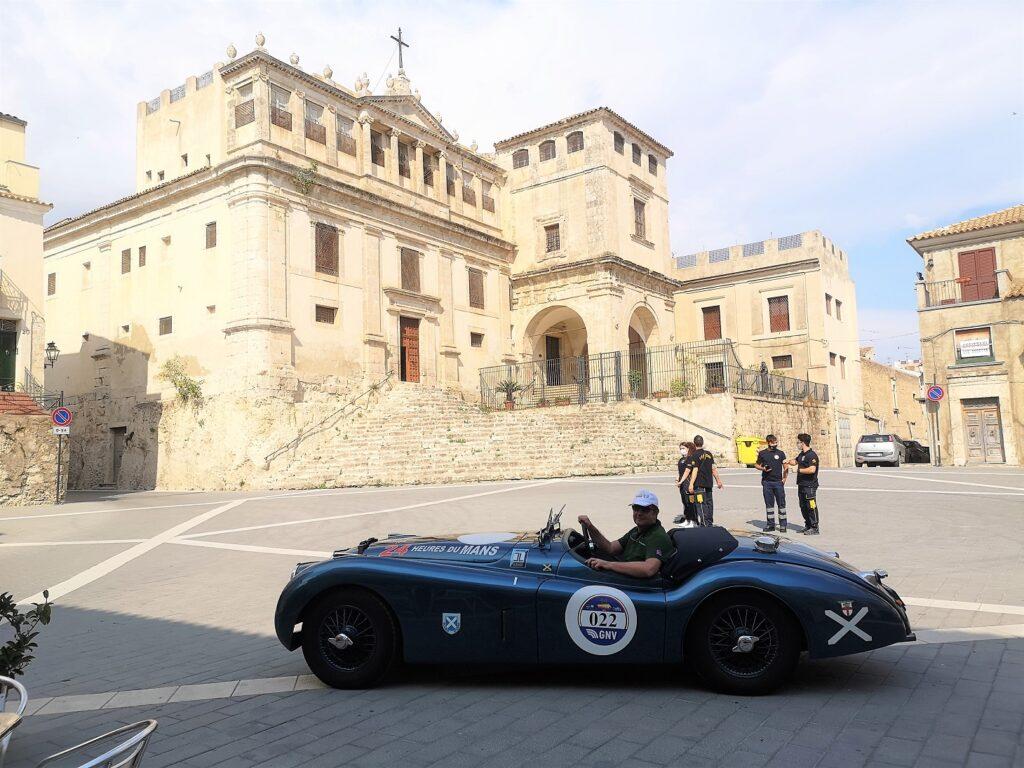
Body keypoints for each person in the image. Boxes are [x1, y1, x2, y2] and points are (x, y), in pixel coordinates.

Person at [577, 490, 676, 578]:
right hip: (625, 577)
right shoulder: (636, 531)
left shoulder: (658, 536)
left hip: (637, 586)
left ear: (655, 512)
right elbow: (610, 548)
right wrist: (590, 526)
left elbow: (649, 569)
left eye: (644, 510)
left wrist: (609, 565)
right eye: (636, 508)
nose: (639, 513)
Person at [786, 433, 820, 535]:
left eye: (799, 442)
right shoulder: (802, 455)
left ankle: (814, 527)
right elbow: (795, 462)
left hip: (810, 485)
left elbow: (812, 469)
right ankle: (808, 525)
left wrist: (798, 470)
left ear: (803, 443)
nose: (798, 444)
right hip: (801, 485)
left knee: (811, 506)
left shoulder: (811, 455)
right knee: (803, 506)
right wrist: (787, 461)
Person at [754, 434, 788, 532]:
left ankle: (783, 525)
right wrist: (762, 468)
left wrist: (785, 478)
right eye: (774, 442)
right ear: (769, 443)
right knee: (769, 505)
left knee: (781, 504)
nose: (775, 444)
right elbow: (756, 464)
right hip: (767, 482)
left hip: (778, 482)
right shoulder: (762, 453)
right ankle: (770, 525)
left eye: (776, 442)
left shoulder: (781, 453)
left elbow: (785, 466)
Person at [687, 435, 723, 526]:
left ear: (694, 444)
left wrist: (691, 484)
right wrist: (718, 481)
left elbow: (695, 470)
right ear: (702, 443)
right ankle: (709, 522)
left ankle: (704, 524)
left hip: (699, 485)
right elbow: (713, 468)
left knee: (701, 504)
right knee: (709, 503)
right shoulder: (709, 454)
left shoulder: (694, 455)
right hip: (709, 483)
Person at [675, 441, 699, 526]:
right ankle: (687, 519)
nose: (682, 450)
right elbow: (681, 472)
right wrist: (678, 478)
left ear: (688, 449)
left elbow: (688, 471)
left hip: (688, 483)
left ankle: (694, 521)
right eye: (680, 448)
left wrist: (684, 482)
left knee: (691, 503)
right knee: (685, 503)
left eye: (683, 448)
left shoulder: (690, 458)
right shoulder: (681, 460)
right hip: (682, 484)